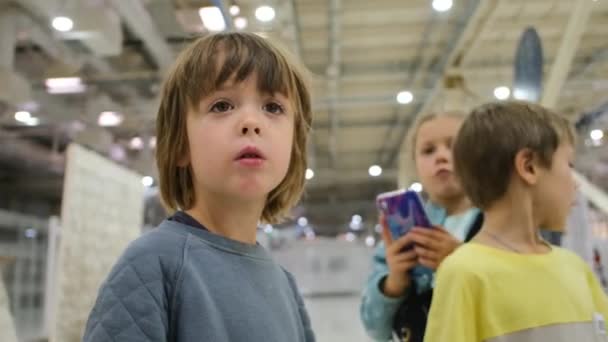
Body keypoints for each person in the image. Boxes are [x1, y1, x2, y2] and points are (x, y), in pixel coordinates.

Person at [83, 32, 315, 342]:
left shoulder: (284, 284)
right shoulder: (152, 264)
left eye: (272, 107)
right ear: (181, 145)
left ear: (294, 145)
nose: (251, 121)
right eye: (221, 106)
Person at [425, 101, 608, 342]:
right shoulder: (464, 274)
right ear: (529, 166)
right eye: (569, 165)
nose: (575, 183)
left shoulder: (577, 269)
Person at [360, 111, 483, 341]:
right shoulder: (399, 236)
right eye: (428, 150)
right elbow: (374, 329)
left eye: (454, 145)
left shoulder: (499, 223)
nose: (441, 156)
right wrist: (394, 282)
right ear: (416, 165)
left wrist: (462, 260)